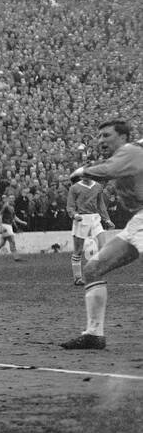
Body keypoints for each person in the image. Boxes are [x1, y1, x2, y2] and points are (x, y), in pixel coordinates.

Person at [62, 120, 143, 350]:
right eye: (99, 137)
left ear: (124, 137)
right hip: (138, 220)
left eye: (106, 135)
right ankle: (94, 334)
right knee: (93, 269)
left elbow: (108, 171)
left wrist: (83, 171)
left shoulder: (130, 152)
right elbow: (111, 168)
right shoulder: (129, 154)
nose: (101, 140)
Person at [65, 175, 114, 285]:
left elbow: (101, 205)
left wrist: (107, 219)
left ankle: (96, 275)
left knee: (103, 247)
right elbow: (70, 206)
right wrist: (74, 215)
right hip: (81, 220)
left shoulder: (97, 186)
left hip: (95, 219)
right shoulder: (74, 188)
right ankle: (77, 278)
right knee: (78, 250)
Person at [0, 197, 27, 262]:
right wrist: (0, 227)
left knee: (2, 243)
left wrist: (22, 222)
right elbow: (0, 216)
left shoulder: (12, 207)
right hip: (5, 226)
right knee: (12, 241)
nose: (12, 199)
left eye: (13, 198)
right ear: (8, 199)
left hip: (9, 226)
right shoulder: (5, 206)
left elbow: (14, 217)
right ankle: (16, 258)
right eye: (10, 198)